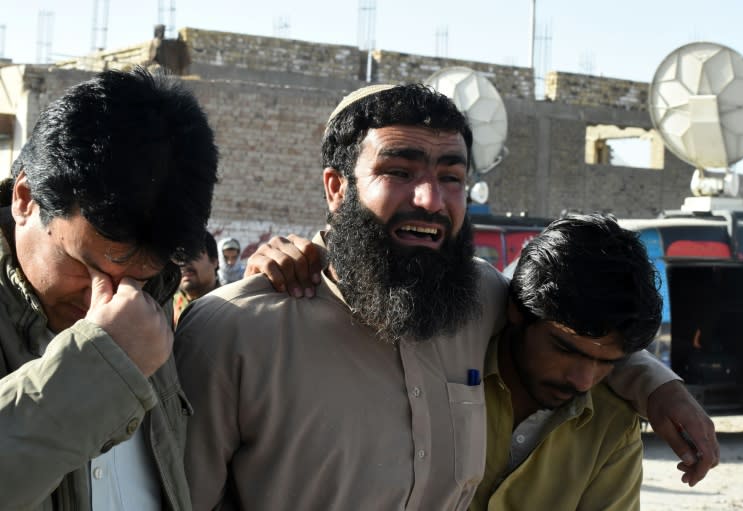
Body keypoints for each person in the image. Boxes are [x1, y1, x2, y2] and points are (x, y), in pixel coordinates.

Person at [175, 83, 715, 511]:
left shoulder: (476, 298)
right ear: (336, 188)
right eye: (399, 171)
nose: (431, 199)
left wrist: (662, 389)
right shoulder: (233, 331)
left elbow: (575, 330)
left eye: (451, 176)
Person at [0, 67, 219, 510]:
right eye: (87, 267)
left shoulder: (151, 307)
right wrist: (99, 366)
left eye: (137, 278)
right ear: (25, 198)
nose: (108, 302)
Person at [470, 213, 662, 511]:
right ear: (516, 310)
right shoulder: (449, 370)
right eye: (566, 350)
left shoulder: (613, 426)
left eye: (607, 363)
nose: (584, 380)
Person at [171, 231, 220, 327]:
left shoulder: (229, 305)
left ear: (214, 262)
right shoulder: (169, 305)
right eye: (179, 257)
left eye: (193, 255)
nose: (184, 263)